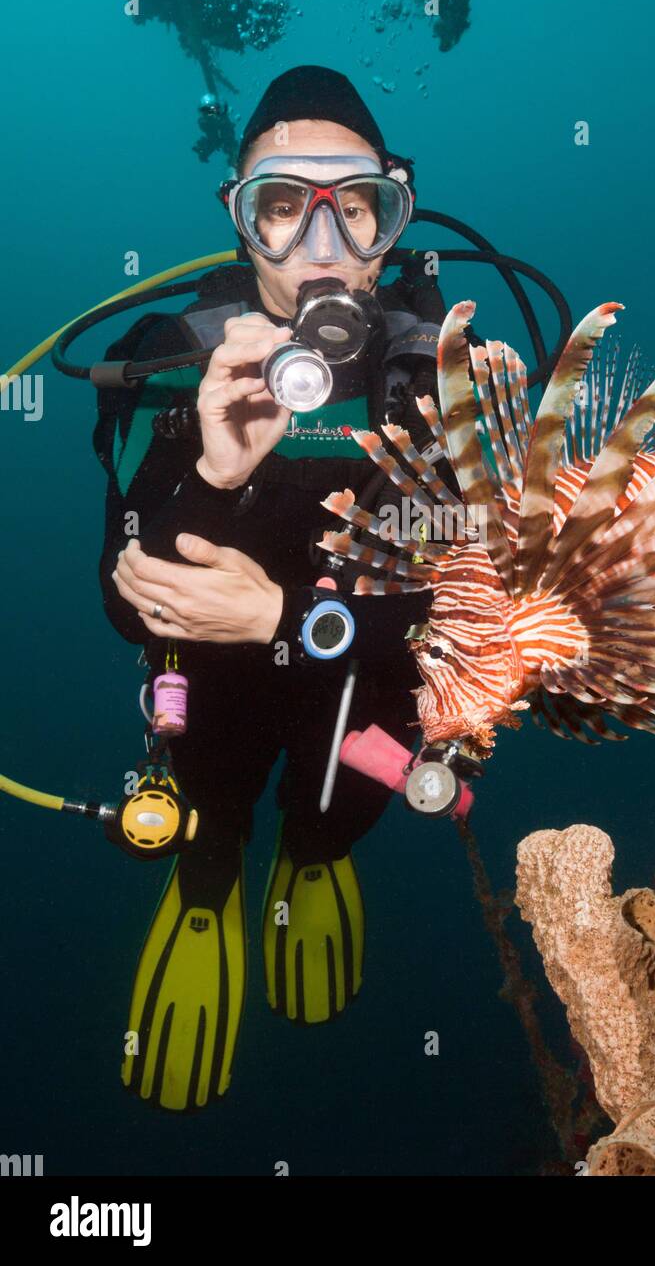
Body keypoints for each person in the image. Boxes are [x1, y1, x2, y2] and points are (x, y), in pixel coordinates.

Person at [94, 66, 447, 1111]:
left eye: (360, 210)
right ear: (238, 222)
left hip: (368, 697)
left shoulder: (449, 373)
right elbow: (124, 607)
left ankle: (315, 852)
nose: (322, 250)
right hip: (211, 694)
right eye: (282, 208)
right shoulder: (164, 365)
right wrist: (211, 471)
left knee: (340, 799)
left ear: (395, 217)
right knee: (208, 798)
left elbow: (478, 604)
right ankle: (207, 886)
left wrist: (284, 619)